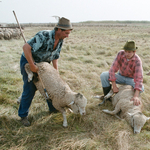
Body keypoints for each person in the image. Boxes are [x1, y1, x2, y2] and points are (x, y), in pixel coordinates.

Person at [19, 17, 73, 126]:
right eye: (66, 33)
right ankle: (23, 116)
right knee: (30, 89)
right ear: (59, 30)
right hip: (29, 62)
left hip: (44, 65)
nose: (68, 36)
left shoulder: (60, 40)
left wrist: (55, 70)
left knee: (51, 87)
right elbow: (26, 47)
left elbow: (55, 56)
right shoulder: (43, 36)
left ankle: (53, 108)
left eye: (69, 33)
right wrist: (32, 65)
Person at [100, 40, 144, 106]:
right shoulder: (120, 53)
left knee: (141, 88)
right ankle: (107, 98)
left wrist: (136, 96)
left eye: (129, 52)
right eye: (125, 51)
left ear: (134, 52)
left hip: (131, 80)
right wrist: (114, 85)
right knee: (103, 75)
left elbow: (139, 78)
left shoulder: (137, 61)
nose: (126, 54)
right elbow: (112, 69)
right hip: (120, 76)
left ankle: (127, 95)